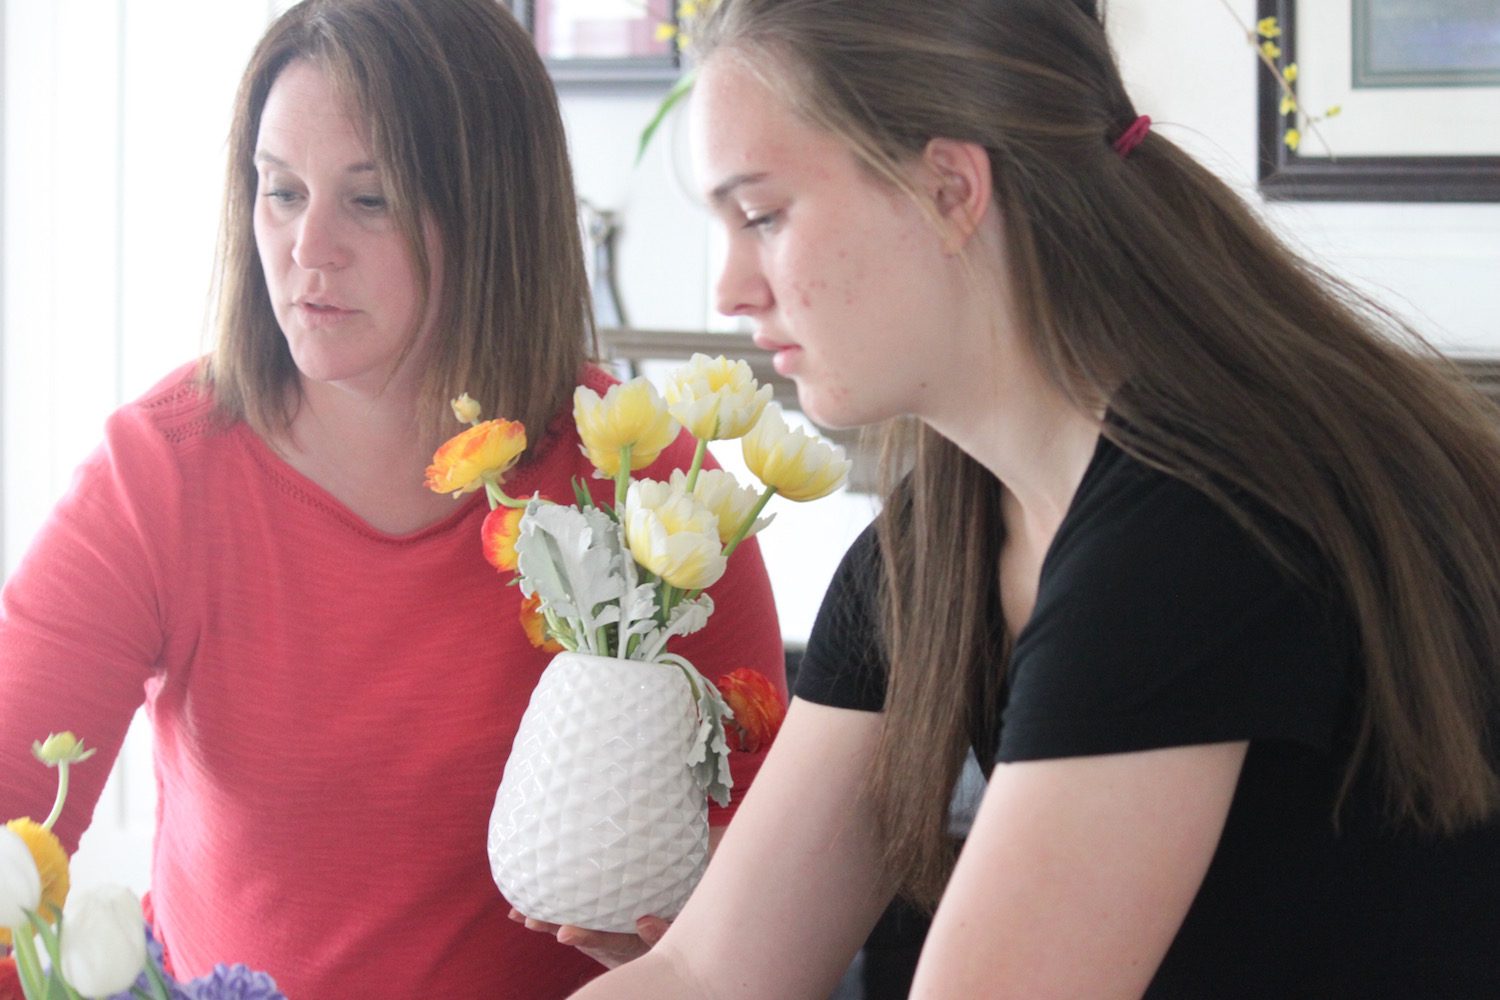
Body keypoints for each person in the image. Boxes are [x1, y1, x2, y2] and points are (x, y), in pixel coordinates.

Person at [571, 0, 1500, 997]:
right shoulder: (935, 552)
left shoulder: (1190, 535)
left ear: (948, 187)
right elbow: (707, 972)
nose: (730, 289)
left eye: (762, 215)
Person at [0, 1, 785, 997]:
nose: (307, 248)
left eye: (368, 202)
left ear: (490, 213)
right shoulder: (160, 471)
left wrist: (689, 953)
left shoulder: (644, 484)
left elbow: (775, 886)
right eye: (282, 192)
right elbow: (8, 832)